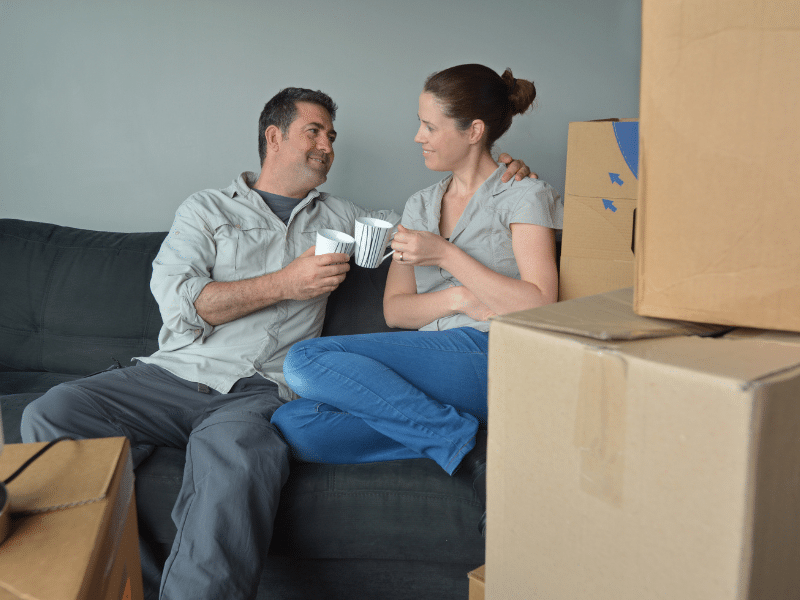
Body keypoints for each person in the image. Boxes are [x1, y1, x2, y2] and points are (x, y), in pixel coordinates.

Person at [20, 85, 532, 600]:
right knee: (54, 410)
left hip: (263, 389)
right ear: (273, 136)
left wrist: (495, 174)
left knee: (238, 461)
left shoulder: (343, 218)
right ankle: (110, 578)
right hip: (173, 374)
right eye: (314, 131)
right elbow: (182, 304)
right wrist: (287, 283)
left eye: (331, 136)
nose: (327, 146)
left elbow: (428, 232)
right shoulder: (205, 210)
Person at [271, 64, 563, 535]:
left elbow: (540, 304)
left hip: (496, 356)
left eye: (429, 126)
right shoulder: (421, 205)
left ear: (474, 131)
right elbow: (397, 311)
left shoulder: (522, 193)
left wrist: (445, 253)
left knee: (305, 360)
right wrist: (459, 297)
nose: (417, 136)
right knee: (297, 423)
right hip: (435, 362)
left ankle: (461, 445)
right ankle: (469, 441)